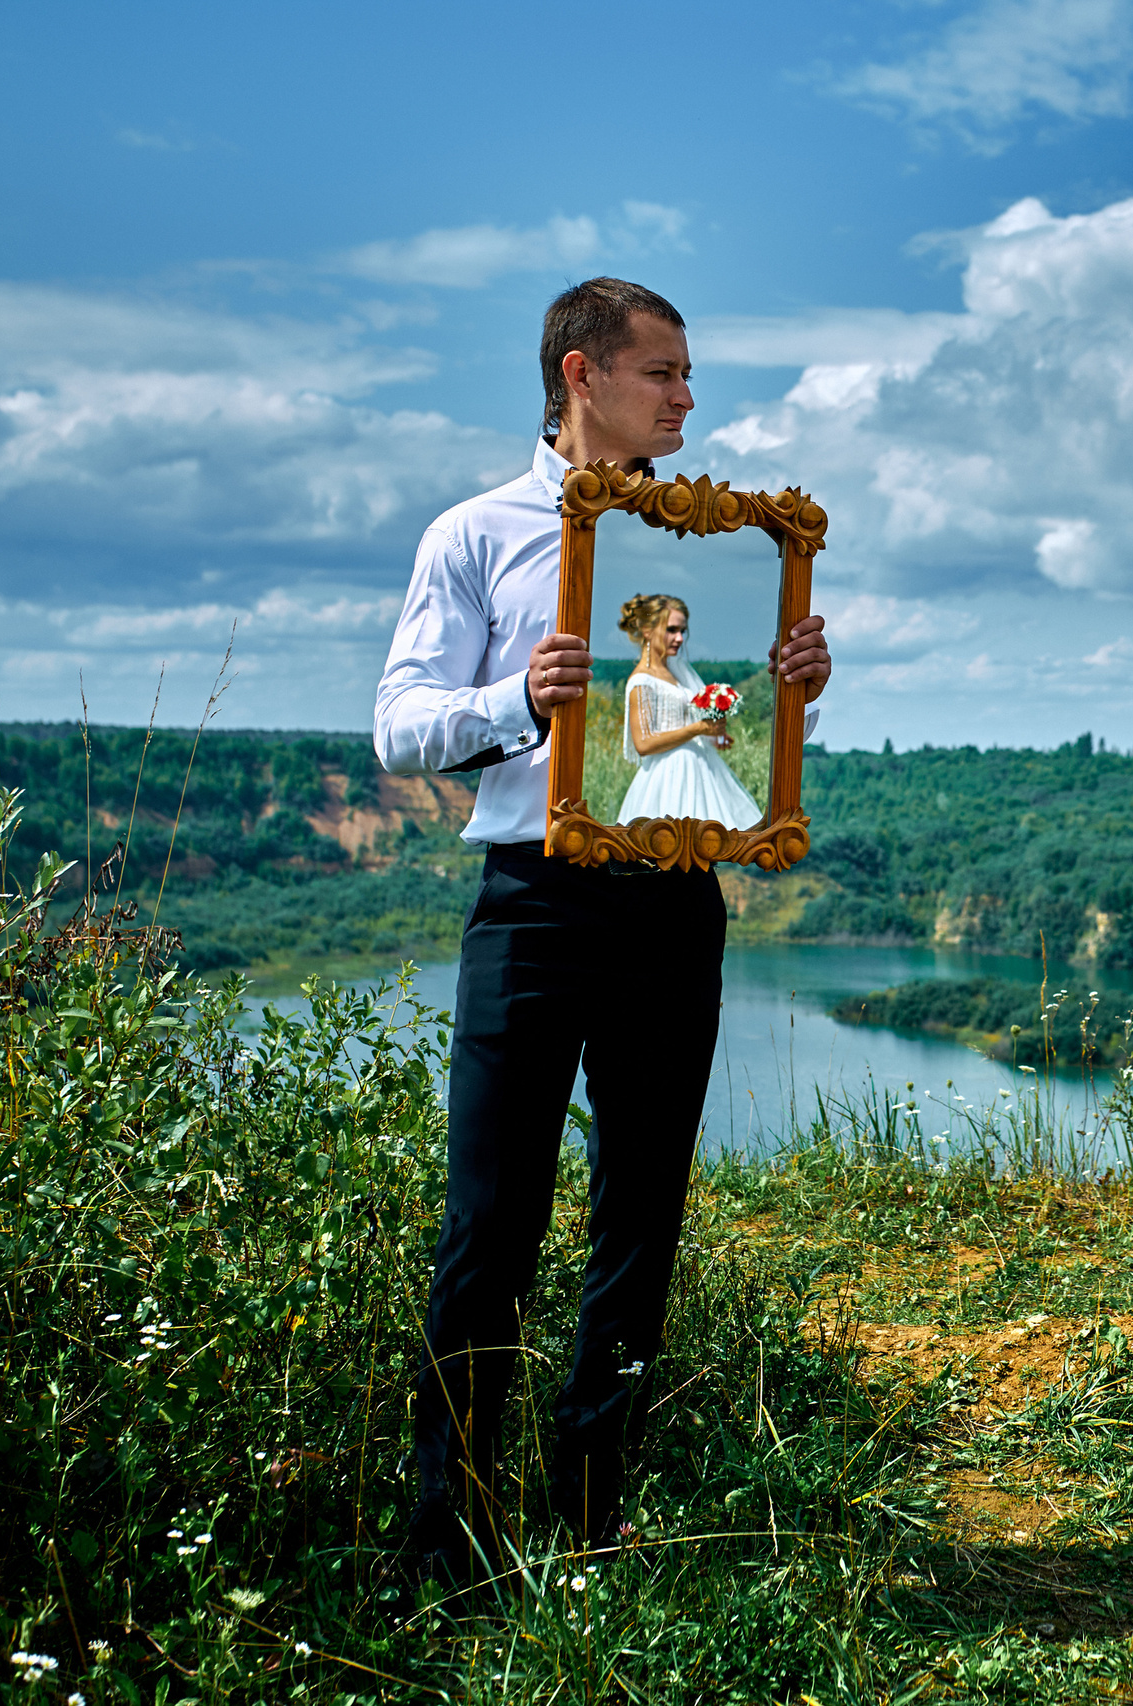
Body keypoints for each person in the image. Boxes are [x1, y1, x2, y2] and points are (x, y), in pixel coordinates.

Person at [371, 277, 831, 1584]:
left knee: (644, 1214)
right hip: (534, 901)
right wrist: (514, 697)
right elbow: (398, 723)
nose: (689, 396)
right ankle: (442, 1543)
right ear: (582, 373)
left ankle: (590, 1505)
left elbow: (711, 731)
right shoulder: (477, 532)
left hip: (676, 899)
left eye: (687, 377)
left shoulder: (717, 546)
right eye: (665, 373)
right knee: (490, 1231)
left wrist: (792, 691)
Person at [614, 592, 762, 830]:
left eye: (682, 631)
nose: (680, 638)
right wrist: (698, 728)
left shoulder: (677, 671)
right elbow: (643, 743)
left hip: (698, 773)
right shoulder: (641, 681)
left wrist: (713, 735)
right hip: (668, 779)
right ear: (647, 630)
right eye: (671, 630)